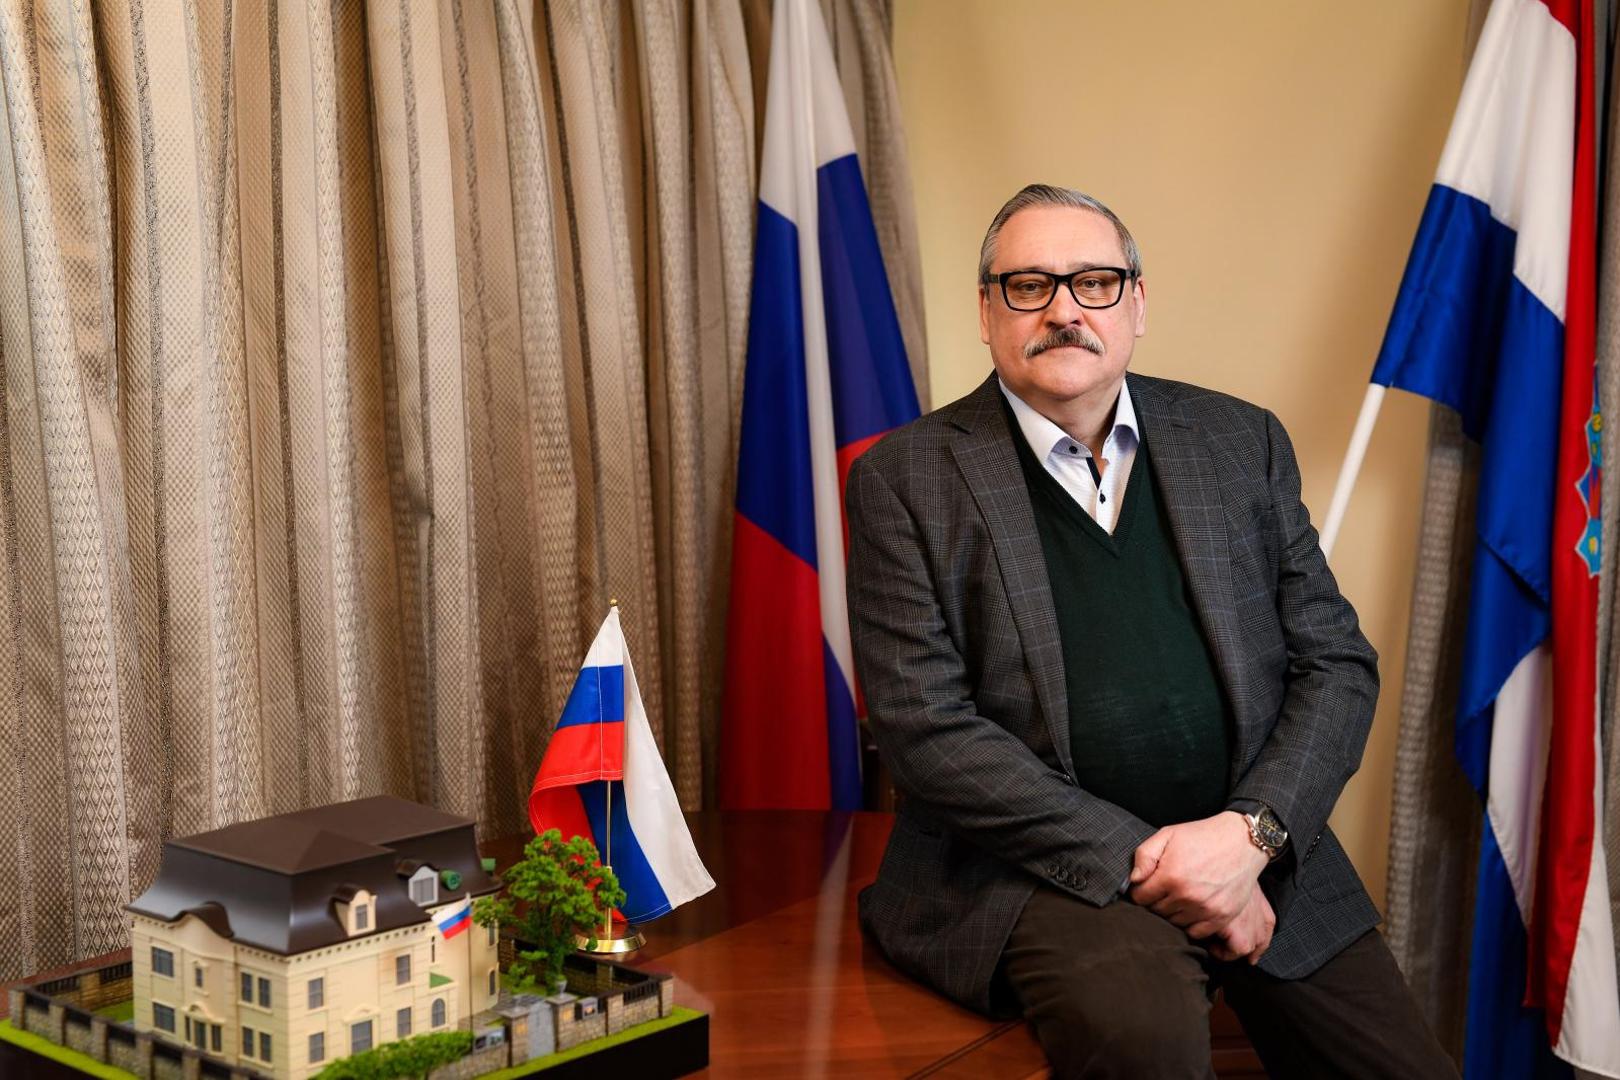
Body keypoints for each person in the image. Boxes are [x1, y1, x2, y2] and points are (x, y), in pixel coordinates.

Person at [844, 184, 1456, 1077]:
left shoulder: (1239, 440)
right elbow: (925, 732)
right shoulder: (904, 479)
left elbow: (1336, 665)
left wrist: (1247, 838)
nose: (1063, 311)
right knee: (1147, 1045)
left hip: (1256, 842)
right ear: (986, 311)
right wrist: (1153, 860)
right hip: (1033, 869)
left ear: (1136, 303)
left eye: (1094, 282)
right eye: (1029, 285)